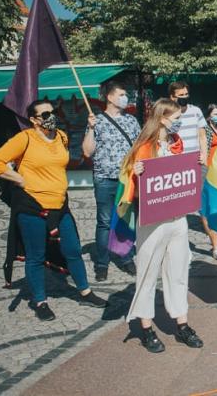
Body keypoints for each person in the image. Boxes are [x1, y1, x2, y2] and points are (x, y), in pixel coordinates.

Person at [0, 99, 108, 321]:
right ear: (33, 120)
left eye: (52, 112)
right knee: (36, 256)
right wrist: (19, 180)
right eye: (45, 115)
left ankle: (85, 291)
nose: (51, 117)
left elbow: (75, 157)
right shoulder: (25, 139)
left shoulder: (61, 136)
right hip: (33, 208)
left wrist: (90, 128)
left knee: (73, 249)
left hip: (60, 205)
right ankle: (40, 301)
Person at [124, 98, 203, 352]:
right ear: (162, 118)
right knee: (147, 273)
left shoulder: (175, 144)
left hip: (177, 217)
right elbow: (128, 181)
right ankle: (146, 328)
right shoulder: (143, 147)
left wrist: (196, 166)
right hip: (152, 222)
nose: (179, 121)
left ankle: (182, 325)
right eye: (175, 116)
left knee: (179, 271)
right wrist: (134, 173)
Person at [82, 81, 141, 281]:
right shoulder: (96, 121)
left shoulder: (132, 121)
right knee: (105, 222)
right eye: (122, 93)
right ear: (110, 97)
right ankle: (102, 263)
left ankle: (125, 258)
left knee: (125, 219)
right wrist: (90, 129)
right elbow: (87, 151)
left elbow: (139, 149)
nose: (126, 97)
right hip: (104, 179)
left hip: (127, 179)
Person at [201, 104, 217, 262]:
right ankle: (216, 245)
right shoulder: (205, 129)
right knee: (206, 208)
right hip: (207, 170)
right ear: (209, 115)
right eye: (216, 113)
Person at [168, 81, 208, 164]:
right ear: (172, 97)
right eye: (181, 95)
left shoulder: (196, 111)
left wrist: (204, 155)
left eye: (186, 94)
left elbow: (202, 137)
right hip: (176, 159)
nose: (185, 97)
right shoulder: (168, 114)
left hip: (195, 159)